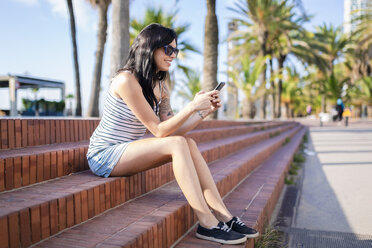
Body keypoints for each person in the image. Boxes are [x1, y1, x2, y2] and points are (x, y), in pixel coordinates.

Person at [86, 23, 258, 245]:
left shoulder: (160, 86)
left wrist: (203, 112)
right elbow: (158, 131)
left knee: (187, 142)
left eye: (175, 51)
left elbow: (173, 130)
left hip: (127, 152)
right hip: (104, 156)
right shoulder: (126, 80)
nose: (173, 56)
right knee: (178, 144)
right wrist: (191, 106)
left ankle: (225, 216)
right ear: (150, 48)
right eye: (168, 50)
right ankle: (207, 223)